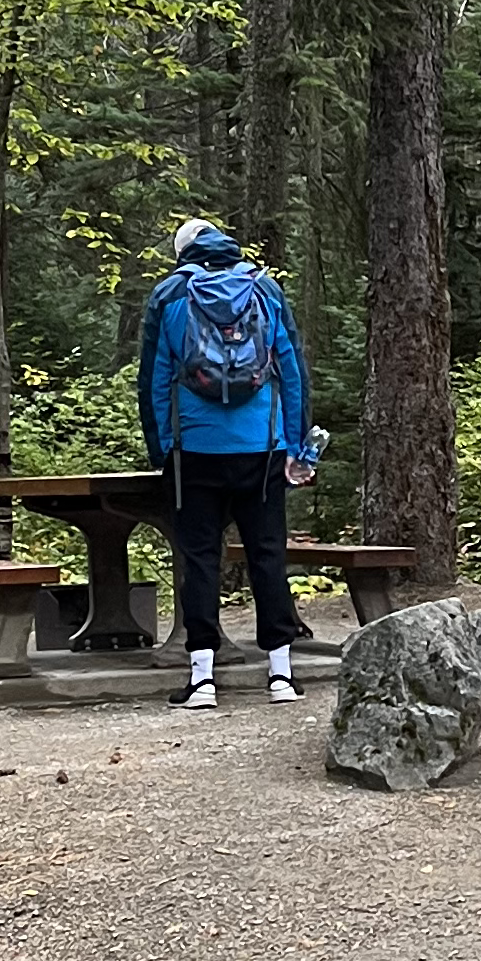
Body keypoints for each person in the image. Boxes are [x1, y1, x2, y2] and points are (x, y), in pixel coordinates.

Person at [137, 219, 317, 711]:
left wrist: (163, 449)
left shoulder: (170, 295)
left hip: (195, 449)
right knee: (267, 554)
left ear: (182, 253)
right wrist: (295, 446)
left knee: (199, 559)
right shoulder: (264, 289)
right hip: (262, 448)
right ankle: (280, 674)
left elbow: (153, 380)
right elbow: (292, 371)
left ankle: (202, 680)